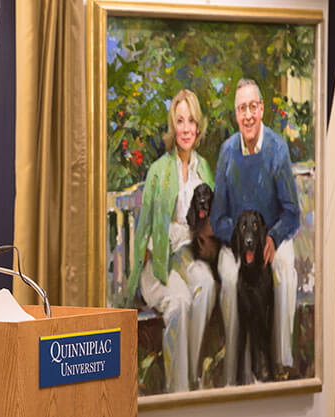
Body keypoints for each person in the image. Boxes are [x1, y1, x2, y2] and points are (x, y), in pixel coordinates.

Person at [210, 78, 301, 385]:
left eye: (252, 107)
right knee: (232, 281)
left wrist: (272, 238)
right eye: (241, 109)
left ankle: (280, 363)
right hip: (236, 243)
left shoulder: (277, 149)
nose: (247, 115)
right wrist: (238, 243)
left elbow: (292, 211)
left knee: (286, 272)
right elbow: (218, 216)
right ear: (236, 115)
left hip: (272, 236)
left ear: (261, 109)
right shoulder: (227, 153)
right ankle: (236, 376)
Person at [127, 89, 217, 393]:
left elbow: (211, 222)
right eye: (180, 121)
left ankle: (190, 375)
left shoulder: (202, 169)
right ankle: (178, 392)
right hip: (160, 263)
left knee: (206, 287)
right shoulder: (159, 171)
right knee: (179, 301)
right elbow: (148, 235)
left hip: (190, 257)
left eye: (191, 120)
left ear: (198, 126)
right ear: (173, 126)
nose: (187, 128)